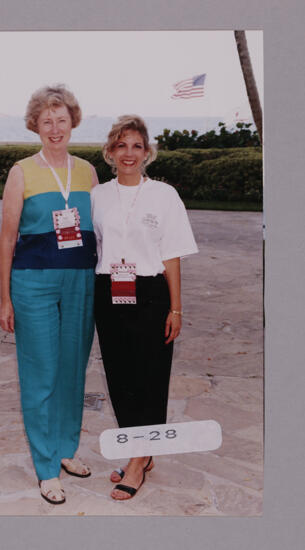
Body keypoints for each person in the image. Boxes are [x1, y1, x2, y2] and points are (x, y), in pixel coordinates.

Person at [0, 84, 98, 505]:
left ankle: (66, 451)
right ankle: (45, 467)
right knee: (41, 373)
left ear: (72, 122)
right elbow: (6, 239)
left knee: (73, 370)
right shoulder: (22, 171)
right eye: (46, 121)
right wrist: (5, 298)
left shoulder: (90, 171)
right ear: (35, 126)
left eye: (61, 120)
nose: (55, 128)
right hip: (34, 282)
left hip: (81, 280)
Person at [91, 115, 198, 500]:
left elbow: (172, 256)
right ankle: (142, 450)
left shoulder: (164, 196)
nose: (129, 153)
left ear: (147, 151)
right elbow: (95, 248)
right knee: (121, 380)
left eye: (136, 145)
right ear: (110, 152)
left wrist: (177, 308)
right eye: (121, 145)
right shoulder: (98, 196)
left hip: (151, 294)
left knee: (151, 378)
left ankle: (138, 462)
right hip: (109, 292)